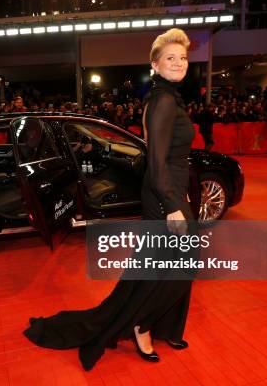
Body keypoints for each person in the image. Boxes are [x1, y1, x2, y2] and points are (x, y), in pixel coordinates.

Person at [23, 28, 197, 370]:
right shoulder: (162, 101)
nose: (178, 63)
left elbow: (159, 159)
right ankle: (141, 324)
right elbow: (157, 160)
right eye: (170, 58)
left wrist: (181, 192)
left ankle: (164, 326)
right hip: (165, 195)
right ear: (155, 65)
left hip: (169, 189)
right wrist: (174, 204)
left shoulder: (168, 97)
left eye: (183, 57)